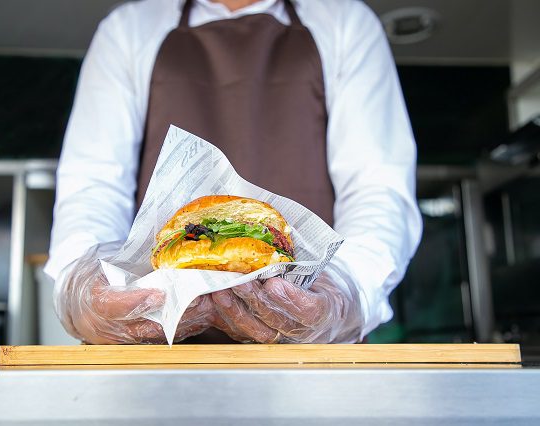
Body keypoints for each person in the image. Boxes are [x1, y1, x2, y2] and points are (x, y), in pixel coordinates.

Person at [45, 0, 422, 344]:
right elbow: (93, 185)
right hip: (155, 344)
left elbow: (378, 187)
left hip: (309, 352)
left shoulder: (344, 21)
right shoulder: (129, 29)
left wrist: (345, 295)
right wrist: (82, 287)